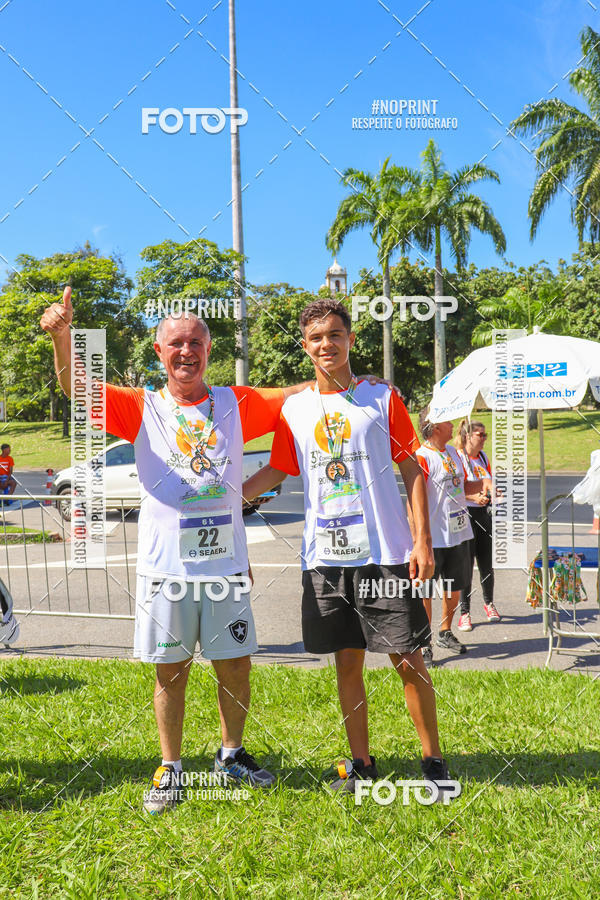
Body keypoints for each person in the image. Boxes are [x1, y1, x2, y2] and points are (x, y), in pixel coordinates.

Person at [40, 286, 314, 815]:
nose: (186, 352)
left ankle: (230, 755)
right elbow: (77, 387)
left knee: (235, 664)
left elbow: (299, 395)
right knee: (171, 669)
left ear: (208, 350)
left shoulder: (236, 404)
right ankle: (171, 766)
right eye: (176, 344)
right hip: (166, 567)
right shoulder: (141, 406)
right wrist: (63, 336)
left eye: (195, 343)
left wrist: (351, 378)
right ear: (159, 352)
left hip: (225, 565)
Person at [242, 298, 457, 800]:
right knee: (347, 663)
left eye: (335, 335)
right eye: (316, 338)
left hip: (384, 553)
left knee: (408, 658)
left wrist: (422, 540)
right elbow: (279, 468)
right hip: (326, 559)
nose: (327, 345)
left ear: (350, 340)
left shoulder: (380, 398)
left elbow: (411, 467)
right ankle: (361, 763)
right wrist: (224, 499)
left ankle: (433, 760)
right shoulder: (295, 410)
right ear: (305, 346)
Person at [415, 411, 489, 667]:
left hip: (459, 533)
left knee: (454, 588)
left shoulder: (453, 453)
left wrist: (484, 485)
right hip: (433, 538)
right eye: (447, 421)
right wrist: (418, 539)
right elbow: (413, 501)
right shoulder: (422, 457)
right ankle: (424, 643)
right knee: (425, 593)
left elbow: (462, 487)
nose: (452, 425)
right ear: (435, 427)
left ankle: (445, 631)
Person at [454, 419, 499, 631]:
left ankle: (489, 603)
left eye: (485, 434)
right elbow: (455, 489)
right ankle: (464, 613)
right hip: (466, 516)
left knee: (486, 563)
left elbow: (487, 483)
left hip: (484, 515)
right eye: (480, 435)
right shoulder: (459, 457)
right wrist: (473, 497)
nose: (484, 438)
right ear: (468, 436)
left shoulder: (483, 457)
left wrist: (492, 494)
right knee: (466, 566)